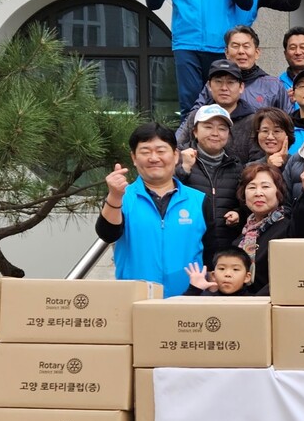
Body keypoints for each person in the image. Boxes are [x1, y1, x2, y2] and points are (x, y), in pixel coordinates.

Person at [96, 122, 208, 297]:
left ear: (175, 155)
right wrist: (115, 196)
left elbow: (213, 249)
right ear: (134, 158)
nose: (154, 158)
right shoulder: (123, 197)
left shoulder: (199, 200)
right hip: (135, 300)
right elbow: (107, 234)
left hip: (188, 301)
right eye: (145, 152)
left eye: (161, 151)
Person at [175, 104, 242, 269]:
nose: (215, 133)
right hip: (187, 251)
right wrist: (184, 170)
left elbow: (244, 204)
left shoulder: (237, 167)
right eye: (208, 127)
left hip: (225, 256)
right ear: (195, 132)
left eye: (222, 128)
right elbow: (166, 195)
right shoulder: (178, 162)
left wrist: (238, 214)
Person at [184, 26, 290, 122]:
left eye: (246, 46)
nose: (241, 51)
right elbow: (192, 119)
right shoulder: (213, 84)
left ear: (257, 53)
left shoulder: (274, 85)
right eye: (235, 46)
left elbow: (288, 123)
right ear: (226, 53)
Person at [176, 58, 258, 164]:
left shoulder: (253, 121)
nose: (224, 88)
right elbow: (177, 149)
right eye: (218, 82)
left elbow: (257, 160)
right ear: (209, 86)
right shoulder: (196, 116)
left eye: (230, 82)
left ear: (241, 87)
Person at [231, 163, 295, 293]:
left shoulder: (289, 230)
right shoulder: (241, 238)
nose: (258, 193)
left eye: (265, 186)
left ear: (279, 192)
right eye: (252, 187)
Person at [185, 248, 256, 297]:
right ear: (213, 275)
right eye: (222, 269)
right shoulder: (206, 298)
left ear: (247, 277)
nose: (227, 274)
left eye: (235, 269)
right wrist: (194, 290)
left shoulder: (255, 301)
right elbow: (180, 312)